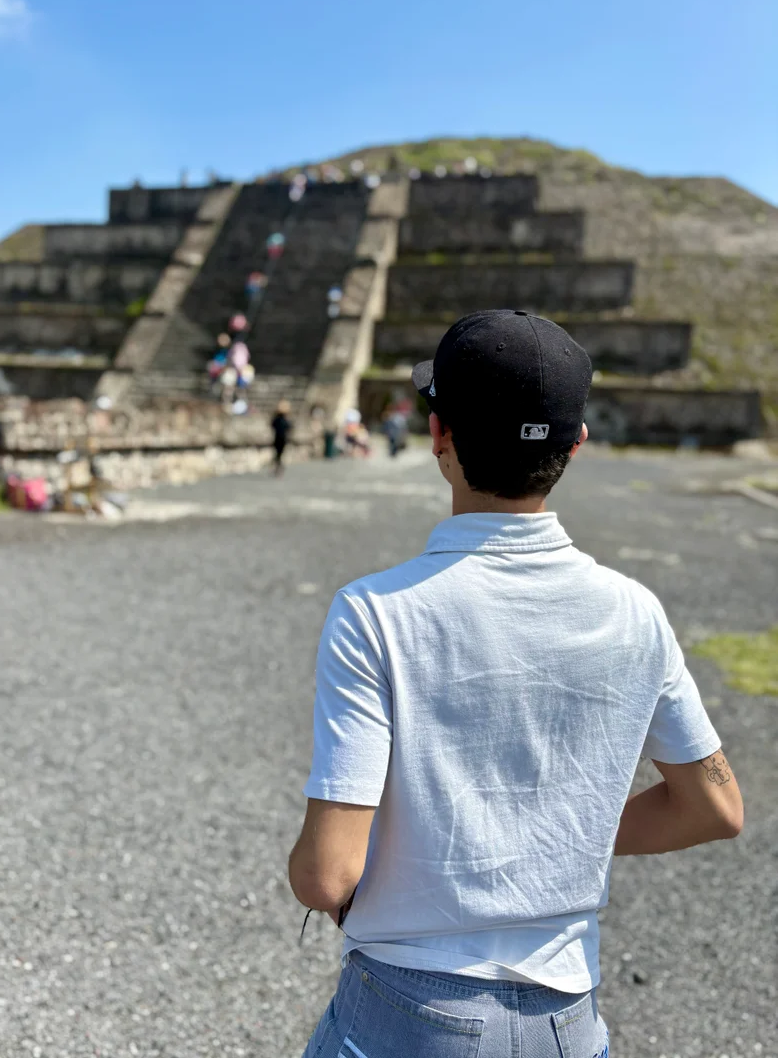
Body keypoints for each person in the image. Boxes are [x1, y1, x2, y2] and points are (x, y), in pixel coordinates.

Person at [290, 310, 743, 1058]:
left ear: (439, 433)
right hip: (567, 1023)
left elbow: (326, 875)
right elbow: (715, 806)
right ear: (576, 444)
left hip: (407, 1010)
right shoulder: (636, 612)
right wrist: (553, 837)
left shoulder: (374, 612)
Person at [271, 400, 292, 476]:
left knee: (278, 454)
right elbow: (289, 427)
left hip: (278, 439)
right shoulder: (283, 420)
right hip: (281, 439)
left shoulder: (277, 419)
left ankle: (278, 466)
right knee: (279, 454)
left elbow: (272, 425)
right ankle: (278, 466)